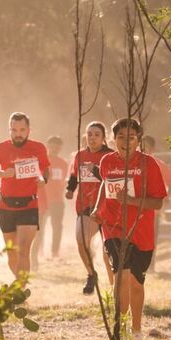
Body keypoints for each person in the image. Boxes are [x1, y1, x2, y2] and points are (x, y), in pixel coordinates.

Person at [92, 118, 167, 340]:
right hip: (113, 228)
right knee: (121, 276)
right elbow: (105, 185)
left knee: (136, 283)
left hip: (141, 232)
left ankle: (136, 331)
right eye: (121, 137)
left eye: (131, 137)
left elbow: (157, 202)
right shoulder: (106, 161)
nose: (126, 142)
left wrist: (131, 201)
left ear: (138, 140)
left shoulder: (149, 164)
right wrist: (98, 208)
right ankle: (120, 330)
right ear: (113, 140)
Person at [0, 112, 50, 279]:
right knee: (12, 254)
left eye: (21, 130)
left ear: (29, 130)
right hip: (6, 205)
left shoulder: (39, 147)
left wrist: (43, 179)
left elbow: (45, 169)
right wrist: (3, 174)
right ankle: (19, 285)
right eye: (14, 130)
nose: (18, 134)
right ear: (9, 130)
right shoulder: (1, 148)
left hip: (29, 205)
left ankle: (20, 289)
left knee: (23, 249)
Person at [66, 122, 113, 294]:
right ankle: (91, 274)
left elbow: (114, 179)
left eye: (96, 135)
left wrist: (96, 171)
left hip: (107, 207)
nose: (92, 138)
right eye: (89, 134)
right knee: (81, 241)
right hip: (85, 206)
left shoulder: (110, 155)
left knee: (108, 252)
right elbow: (73, 176)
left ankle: (115, 287)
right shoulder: (79, 155)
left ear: (103, 138)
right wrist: (70, 190)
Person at [32, 135, 68, 268]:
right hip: (42, 199)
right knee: (40, 227)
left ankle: (54, 252)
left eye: (57, 146)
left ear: (60, 148)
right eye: (52, 145)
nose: (55, 148)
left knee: (57, 226)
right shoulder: (41, 162)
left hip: (57, 200)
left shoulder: (63, 163)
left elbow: (64, 181)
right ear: (48, 146)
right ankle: (39, 250)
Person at [142, 135, 171, 271]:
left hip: (153, 210)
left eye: (146, 147)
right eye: (141, 146)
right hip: (135, 208)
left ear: (153, 149)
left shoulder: (159, 165)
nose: (142, 149)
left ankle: (151, 266)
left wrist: (165, 197)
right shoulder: (133, 163)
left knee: (151, 238)